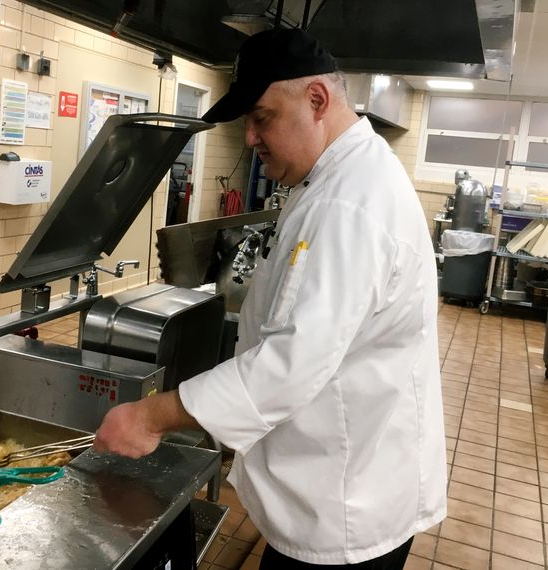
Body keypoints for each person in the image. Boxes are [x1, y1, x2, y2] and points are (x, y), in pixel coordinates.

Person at [93, 27, 446, 569]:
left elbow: (287, 367)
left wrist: (150, 416)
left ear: (317, 100)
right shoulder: (335, 179)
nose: (251, 139)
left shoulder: (349, 204)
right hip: (346, 479)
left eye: (261, 118)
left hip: (343, 505)